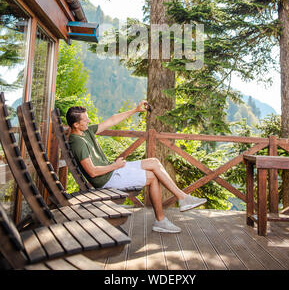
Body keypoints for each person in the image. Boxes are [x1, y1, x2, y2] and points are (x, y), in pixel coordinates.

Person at [66, 100, 207, 234]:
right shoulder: (77, 142)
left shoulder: (86, 132)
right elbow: (92, 172)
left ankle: (181, 199)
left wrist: (135, 110)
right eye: (85, 120)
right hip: (107, 179)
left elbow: (113, 120)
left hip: (113, 170)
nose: (89, 121)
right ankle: (163, 219)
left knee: (154, 162)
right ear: (76, 125)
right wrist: (115, 165)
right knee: (152, 177)